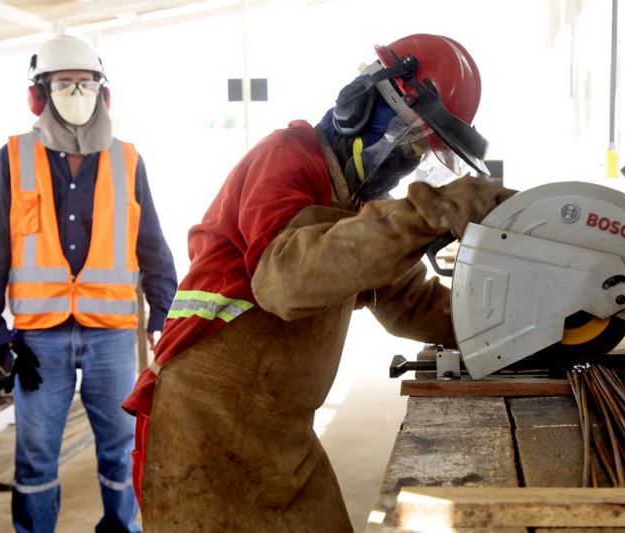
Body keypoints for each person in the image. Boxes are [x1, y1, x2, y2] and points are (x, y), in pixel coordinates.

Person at [122, 33, 514, 531]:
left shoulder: (351, 201)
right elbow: (285, 281)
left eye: (421, 152)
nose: (405, 162)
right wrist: (429, 212)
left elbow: (408, 300)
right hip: (204, 422)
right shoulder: (286, 157)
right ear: (360, 102)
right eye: (408, 136)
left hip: (281, 432)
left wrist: (509, 326)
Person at [0, 34, 177, 533]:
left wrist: (165, 316)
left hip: (110, 335)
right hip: (37, 338)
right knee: (36, 457)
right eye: (64, 83)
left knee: (120, 448)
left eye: (87, 83)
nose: (77, 92)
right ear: (38, 95)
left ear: (104, 94)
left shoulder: (128, 160)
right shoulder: (13, 157)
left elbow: (152, 244)